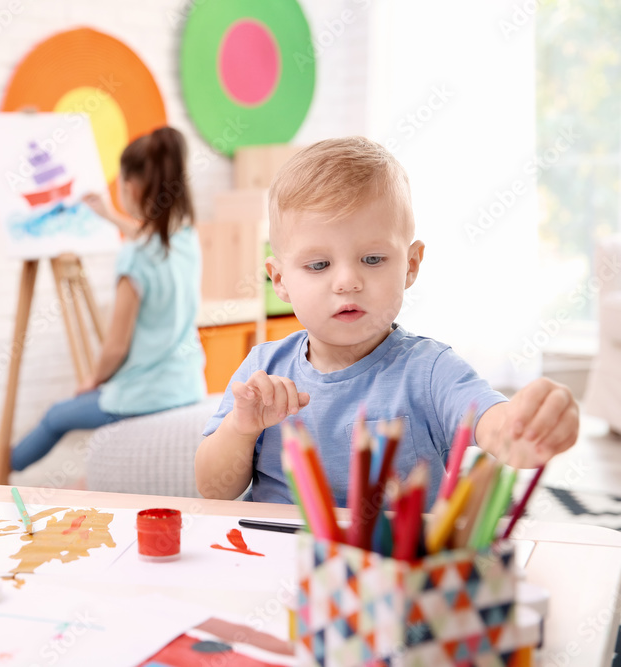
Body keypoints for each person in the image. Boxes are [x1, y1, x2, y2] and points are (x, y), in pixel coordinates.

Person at [195, 136, 579, 505]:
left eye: (373, 259)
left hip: (392, 567)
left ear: (410, 265)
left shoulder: (431, 371)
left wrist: (528, 426)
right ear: (279, 280)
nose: (347, 281)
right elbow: (214, 491)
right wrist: (240, 429)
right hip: (275, 559)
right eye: (319, 265)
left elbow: (499, 429)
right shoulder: (262, 370)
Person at [0, 126, 206, 484]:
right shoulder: (186, 239)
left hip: (144, 396)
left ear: (132, 188)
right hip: (187, 384)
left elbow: (116, 347)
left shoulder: (134, 260)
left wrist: (93, 379)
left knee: (56, 415)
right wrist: (109, 216)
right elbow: (150, 238)